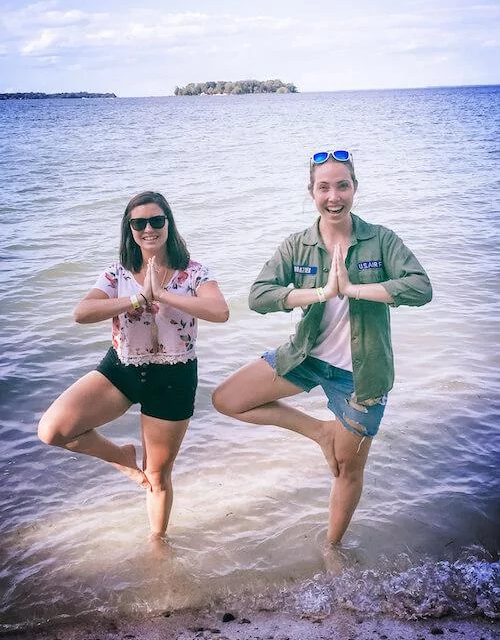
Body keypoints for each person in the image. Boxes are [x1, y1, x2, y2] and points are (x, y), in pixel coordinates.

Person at [212, 150, 432, 545]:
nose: (334, 196)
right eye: (324, 187)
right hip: (306, 357)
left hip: (363, 377)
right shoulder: (298, 245)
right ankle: (321, 432)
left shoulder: (380, 239)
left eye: (342, 186)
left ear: (355, 189)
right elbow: (259, 296)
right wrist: (321, 293)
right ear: (311, 192)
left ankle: (332, 549)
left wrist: (353, 290)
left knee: (347, 470)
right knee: (227, 399)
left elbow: (420, 287)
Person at [38, 191, 229, 545]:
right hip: (123, 368)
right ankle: (122, 457)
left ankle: (157, 545)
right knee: (53, 430)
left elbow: (220, 311)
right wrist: (136, 298)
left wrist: (162, 294)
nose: (148, 229)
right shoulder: (117, 274)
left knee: (157, 474)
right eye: (139, 223)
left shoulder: (195, 272)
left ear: (169, 224)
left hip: (174, 375)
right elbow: (81, 313)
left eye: (156, 220)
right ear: (130, 230)